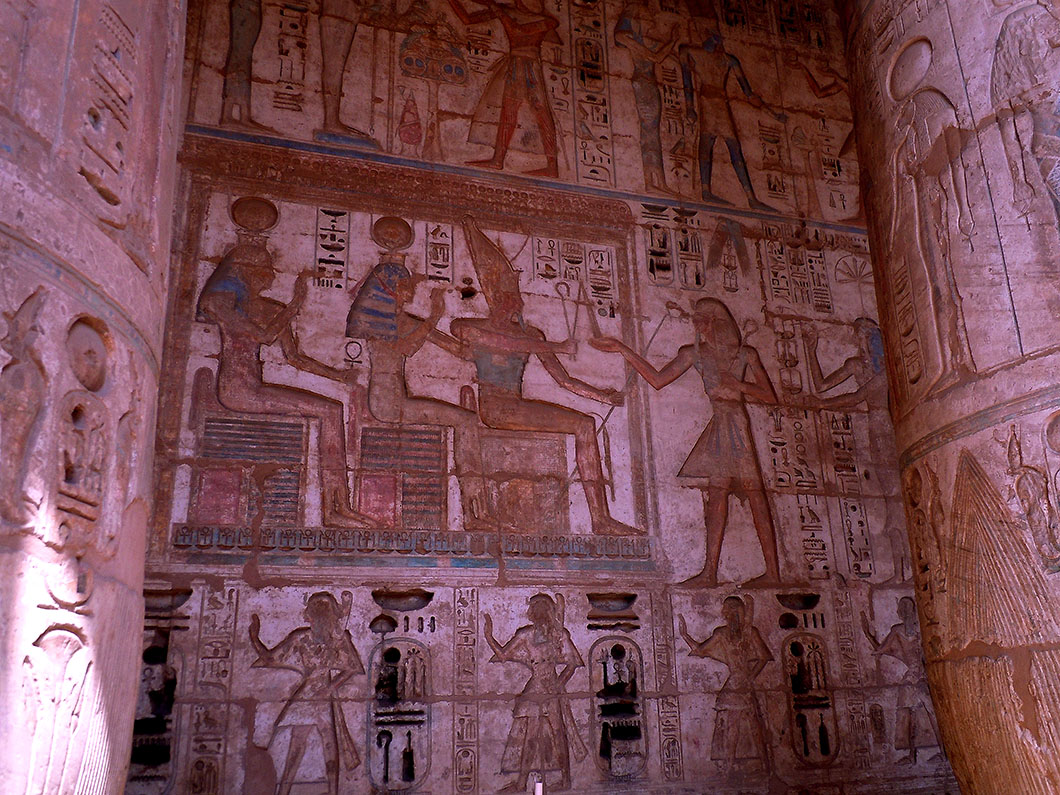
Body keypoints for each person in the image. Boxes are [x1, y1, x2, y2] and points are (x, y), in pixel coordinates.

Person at [443, 214, 640, 535]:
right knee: (582, 424)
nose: (514, 302)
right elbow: (492, 340)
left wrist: (603, 396)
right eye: (507, 296)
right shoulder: (471, 327)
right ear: (494, 298)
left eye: (515, 296)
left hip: (516, 405)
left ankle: (601, 520)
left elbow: (563, 380)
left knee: (585, 424)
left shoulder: (531, 334)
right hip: (495, 408)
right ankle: (601, 520)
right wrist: (554, 346)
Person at [592, 298, 779, 584]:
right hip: (720, 423)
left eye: (701, 319)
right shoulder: (695, 354)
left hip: (737, 423)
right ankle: (710, 572)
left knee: (755, 494)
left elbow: (769, 396)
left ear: (716, 321)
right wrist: (623, 349)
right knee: (717, 496)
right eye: (695, 319)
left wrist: (739, 385)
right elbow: (657, 379)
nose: (696, 324)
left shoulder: (745, 354)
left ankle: (773, 573)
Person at [197, 241, 372, 527]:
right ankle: (334, 510)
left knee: (332, 409)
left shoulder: (269, 309)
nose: (269, 275)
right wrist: (293, 305)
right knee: (329, 411)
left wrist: (338, 376)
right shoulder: (222, 303)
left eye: (268, 269)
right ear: (243, 271)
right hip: (237, 390)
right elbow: (265, 337)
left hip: (255, 389)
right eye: (262, 269)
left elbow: (294, 358)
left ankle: (339, 504)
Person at [346, 248, 492, 528]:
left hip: (398, 399)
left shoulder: (404, 321)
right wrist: (434, 315)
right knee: (465, 421)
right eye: (405, 286)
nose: (410, 291)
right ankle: (474, 513)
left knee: (466, 421)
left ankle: (477, 511)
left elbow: (457, 349)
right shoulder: (379, 321)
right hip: (386, 404)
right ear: (389, 289)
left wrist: (483, 344)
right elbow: (409, 347)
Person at [802, 318, 907, 581]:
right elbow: (821, 386)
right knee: (889, 496)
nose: (858, 339)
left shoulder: (885, 373)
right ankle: (899, 573)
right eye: (857, 334)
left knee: (894, 496)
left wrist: (820, 406)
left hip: (886, 429)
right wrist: (810, 350)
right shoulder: (855, 365)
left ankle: (901, 573)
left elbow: (856, 397)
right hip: (874, 429)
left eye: (864, 334)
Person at [249, 592, 364, 795]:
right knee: (300, 745)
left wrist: (332, 687)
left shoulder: (336, 640)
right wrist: (254, 638)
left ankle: (330, 790)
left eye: (310, 613)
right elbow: (270, 659)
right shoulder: (301, 638)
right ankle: (286, 789)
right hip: (307, 696)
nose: (306, 616)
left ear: (314, 616)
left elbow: (352, 667)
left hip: (320, 697)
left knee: (326, 744)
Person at [680, 10, 785, 210]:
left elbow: (749, 94)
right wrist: (690, 108)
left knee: (734, 148)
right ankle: (706, 191)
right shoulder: (691, 52)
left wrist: (773, 114)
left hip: (721, 104)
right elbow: (686, 80)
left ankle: (751, 198)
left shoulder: (729, 60)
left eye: (716, 35)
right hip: (707, 101)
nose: (714, 39)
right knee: (707, 143)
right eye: (710, 34)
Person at [483, 593, 587, 792]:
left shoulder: (559, 634)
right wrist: (489, 636)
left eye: (542, 609)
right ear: (532, 613)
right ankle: (522, 783)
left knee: (558, 734)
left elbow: (572, 663)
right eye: (536, 609)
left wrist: (558, 684)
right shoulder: (526, 635)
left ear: (549, 612)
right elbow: (503, 655)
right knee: (530, 736)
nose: (539, 614)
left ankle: (565, 780)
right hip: (536, 687)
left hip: (551, 689)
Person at [447, 0, 561, 176]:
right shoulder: (508, 12)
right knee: (508, 112)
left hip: (530, 67)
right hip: (515, 65)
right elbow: (467, 20)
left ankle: (552, 166)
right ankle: (498, 159)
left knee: (541, 113)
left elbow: (519, 31)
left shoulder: (548, 21)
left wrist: (500, 12)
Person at [679, 596, 772, 766]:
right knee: (734, 726)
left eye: (727, 610)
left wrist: (750, 677)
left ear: (735, 612)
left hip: (743, 684)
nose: (723, 613)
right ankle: (731, 767)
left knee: (755, 727)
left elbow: (763, 657)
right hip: (734, 685)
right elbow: (700, 650)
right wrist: (684, 635)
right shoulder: (721, 634)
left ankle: (766, 767)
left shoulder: (750, 632)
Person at [862, 597, 942, 764]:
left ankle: (916, 756)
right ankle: (938, 753)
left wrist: (868, 634)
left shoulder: (898, 630)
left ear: (901, 612)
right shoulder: (919, 629)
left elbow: (879, 650)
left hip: (913, 677)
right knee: (925, 715)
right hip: (921, 676)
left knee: (913, 715)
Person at [615, 1, 681, 194]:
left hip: (650, 86)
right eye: (646, 17)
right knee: (649, 132)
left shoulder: (647, 41)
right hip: (643, 84)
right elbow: (655, 57)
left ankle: (659, 182)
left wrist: (672, 43)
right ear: (635, 19)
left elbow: (661, 54)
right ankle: (651, 183)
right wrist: (672, 41)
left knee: (652, 133)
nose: (651, 22)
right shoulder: (629, 38)